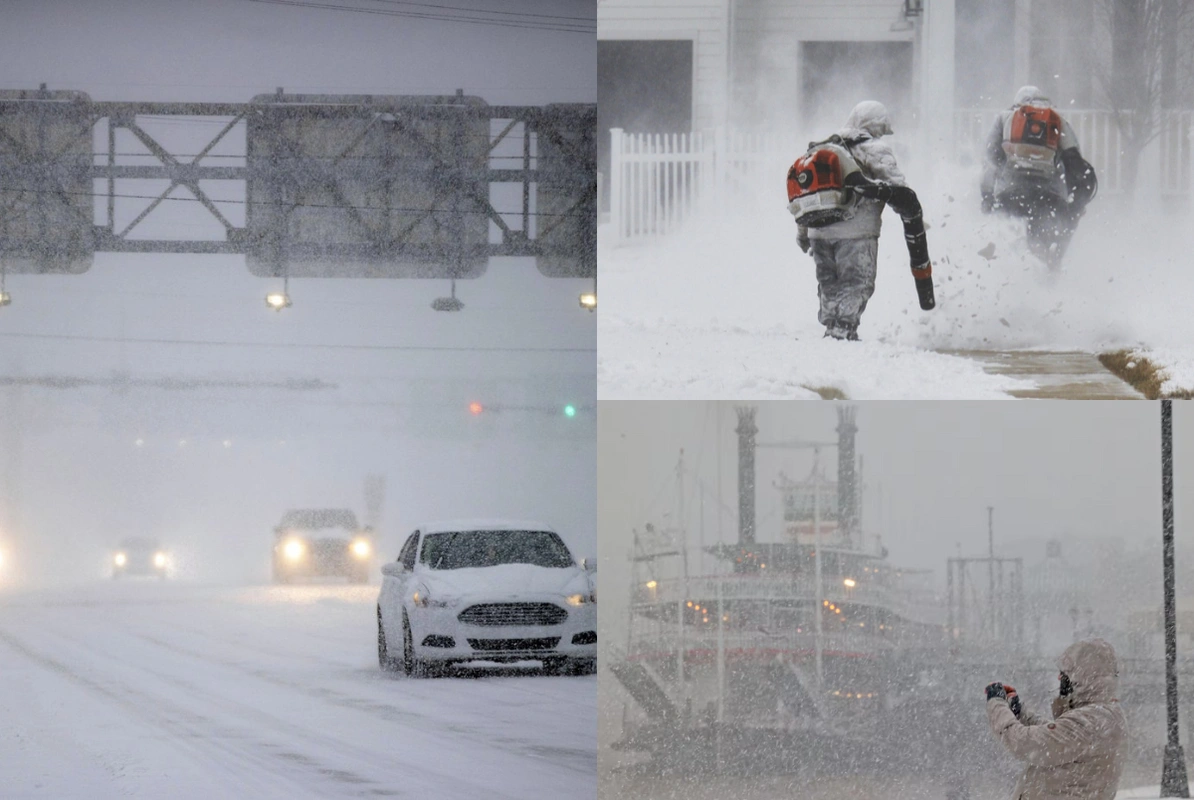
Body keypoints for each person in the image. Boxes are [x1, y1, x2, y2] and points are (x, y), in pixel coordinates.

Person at [793, 101, 925, 341]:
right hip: (857, 233)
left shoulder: (823, 149)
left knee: (829, 283)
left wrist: (803, 234)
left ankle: (832, 331)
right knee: (857, 282)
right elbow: (897, 187)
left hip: (819, 233)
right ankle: (843, 332)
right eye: (882, 129)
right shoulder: (873, 149)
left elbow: (806, 196)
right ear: (874, 125)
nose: (882, 135)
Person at [984, 638, 1127, 800]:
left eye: (1065, 673)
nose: (1059, 678)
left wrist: (996, 703)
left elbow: (1026, 742)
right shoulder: (1103, 716)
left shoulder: (1090, 721)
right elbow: (1057, 738)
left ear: (1084, 677)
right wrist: (1020, 713)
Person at [981, 85, 1097, 267]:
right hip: (1050, 201)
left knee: (1005, 257)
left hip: (1010, 197)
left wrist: (987, 198)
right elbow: (1075, 165)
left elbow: (990, 159)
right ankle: (1050, 283)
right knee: (1046, 256)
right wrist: (1075, 206)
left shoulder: (1004, 118)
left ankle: (1009, 285)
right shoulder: (1057, 121)